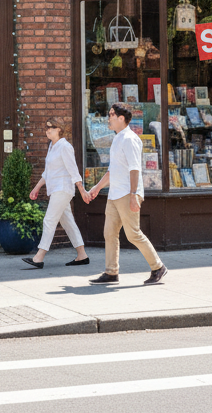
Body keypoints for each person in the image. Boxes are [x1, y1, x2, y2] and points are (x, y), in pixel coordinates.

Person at [85, 103, 167, 285]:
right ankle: (111, 272)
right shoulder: (117, 139)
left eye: (111, 114)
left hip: (127, 193)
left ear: (121, 118)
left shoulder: (129, 139)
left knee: (133, 234)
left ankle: (158, 267)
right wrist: (97, 188)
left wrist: (133, 194)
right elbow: (111, 171)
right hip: (114, 194)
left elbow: (135, 169)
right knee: (109, 233)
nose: (109, 118)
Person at [22, 119, 89, 268]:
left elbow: (73, 170)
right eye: (46, 127)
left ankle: (39, 257)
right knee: (68, 222)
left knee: (49, 220)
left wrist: (81, 190)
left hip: (63, 188)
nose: (47, 130)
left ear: (60, 129)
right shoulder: (52, 147)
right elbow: (47, 173)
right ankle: (82, 255)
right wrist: (36, 188)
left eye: (51, 127)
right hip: (56, 189)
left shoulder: (65, 146)